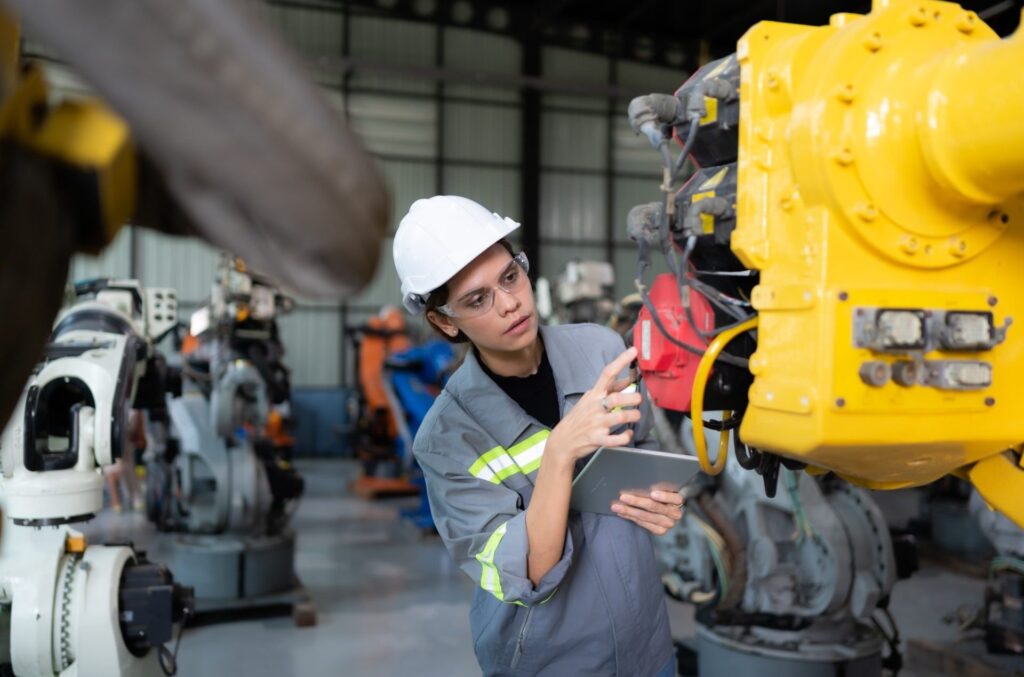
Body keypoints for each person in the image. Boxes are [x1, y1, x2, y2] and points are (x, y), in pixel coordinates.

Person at [393, 195, 684, 676]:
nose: (510, 304)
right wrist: (560, 452)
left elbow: (644, 447)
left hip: (646, 645)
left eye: (510, 277)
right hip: (550, 660)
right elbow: (528, 572)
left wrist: (658, 496)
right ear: (444, 321)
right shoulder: (446, 438)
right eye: (477, 299)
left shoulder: (601, 349)